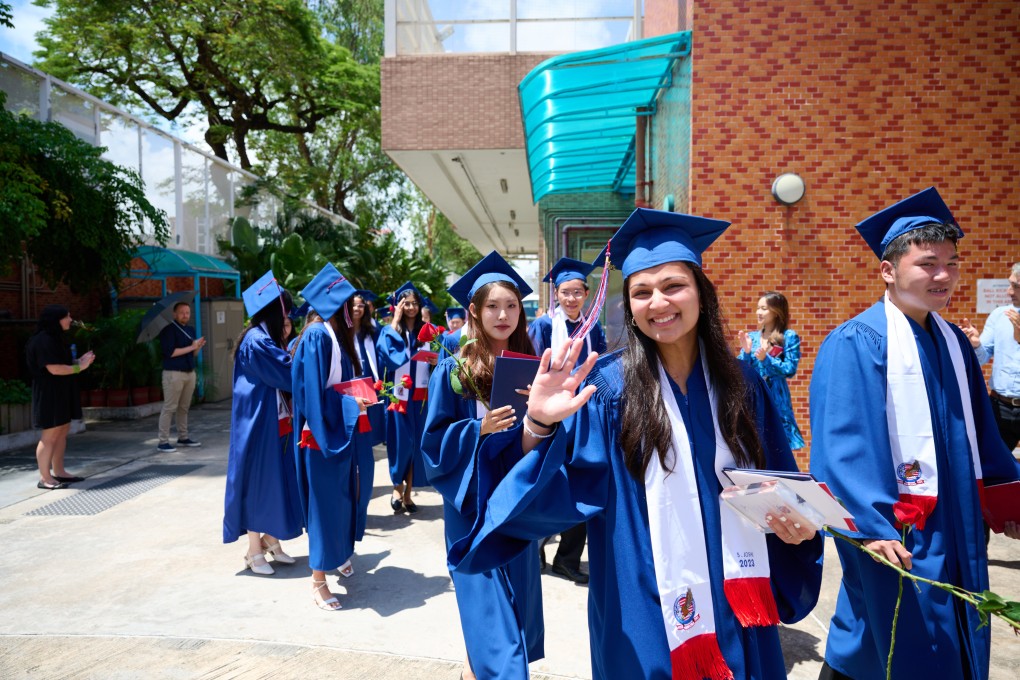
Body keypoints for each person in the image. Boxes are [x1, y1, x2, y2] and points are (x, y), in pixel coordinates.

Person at [450, 208, 823, 680]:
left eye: (673, 286)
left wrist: (799, 525)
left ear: (701, 294)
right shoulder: (608, 390)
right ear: (629, 306)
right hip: (643, 604)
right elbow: (556, 496)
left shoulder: (743, 383)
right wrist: (539, 427)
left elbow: (779, 483)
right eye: (641, 292)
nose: (658, 302)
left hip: (737, 597)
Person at [808, 188, 1020, 680]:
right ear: (888, 270)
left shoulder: (954, 345)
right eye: (928, 263)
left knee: (953, 640)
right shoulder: (857, 343)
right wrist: (871, 528)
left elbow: (982, 438)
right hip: (901, 530)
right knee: (886, 641)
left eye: (952, 262)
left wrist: (1008, 498)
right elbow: (842, 452)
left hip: (959, 526)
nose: (943, 275)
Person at [423, 251, 545, 680]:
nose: (503, 314)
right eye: (493, 306)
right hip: (470, 500)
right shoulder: (454, 369)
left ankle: (475, 671)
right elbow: (433, 441)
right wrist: (477, 430)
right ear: (473, 311)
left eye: (512, 305)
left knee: (517, 592)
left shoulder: (530, 361)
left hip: (515, 496)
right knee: (487, 602)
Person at [290, 263, 370, 610]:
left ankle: (338, 555)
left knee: (342, 500)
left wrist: (360, 395)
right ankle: (317, 581)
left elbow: (336, 385)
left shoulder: (338, 337)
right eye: (349, 304)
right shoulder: (316, 335)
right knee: (324, 507)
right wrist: (351, 403)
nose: (354, 310)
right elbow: (311, 396)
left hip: (341, 427)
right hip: (322, 434)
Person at [527, 256, 609, 584]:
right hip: (551, 414)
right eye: (565, 292)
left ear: (587, 294)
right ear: (556, 295)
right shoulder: (544, 326)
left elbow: (599, 368)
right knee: (546, 481)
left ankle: (567, 559)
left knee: (581, 483)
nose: (571, 298)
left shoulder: (594, 327)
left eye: (577, 292)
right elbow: (532, 368)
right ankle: (534, 546)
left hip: (585, 415)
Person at [222, 271, 303, 576]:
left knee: (271, 481)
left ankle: (269, 539)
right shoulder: (257, 341)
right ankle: (254, 550)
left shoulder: (259, 337)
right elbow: (286, 373)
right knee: (257, 483)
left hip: (268, 419)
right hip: (257, 424)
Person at [378, 282, 438, 514]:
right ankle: (397, 485)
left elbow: (439, 357)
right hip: (399, 396)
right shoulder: (390, 331)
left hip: (421, 397)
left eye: (414, 303)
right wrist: (395, 320)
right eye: (406, 304)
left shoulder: (429, 331)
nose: (411, 307)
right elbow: (388, 357)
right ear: (399, 306)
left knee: (415, 445)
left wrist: (436, 359)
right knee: (400, 443)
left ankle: (408, 493)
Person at [25, 305, 96, 489]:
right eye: (67, 316)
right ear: (56, 320)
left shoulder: (56, 338)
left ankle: (60, 472)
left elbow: (62, 364)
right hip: (49, 393)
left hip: (62, 390)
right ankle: (45, 478)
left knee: (62, 431)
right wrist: (79, 367)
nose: (70, 320)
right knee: (49, 435)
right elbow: (53, 369)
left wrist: (79, 361)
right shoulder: (42, 341)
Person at [961, 262, 1020, 452]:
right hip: (999, 407)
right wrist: (976, 345)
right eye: (1010, 284)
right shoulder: (999, 316)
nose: (1010, 292)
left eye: (1017, 287)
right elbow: (981, 359)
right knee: (994, 471)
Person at [736, 291, 806, 450]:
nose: (758, 312)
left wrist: (766, 360)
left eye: (763, 308)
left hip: (776, 400)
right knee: (754, 447)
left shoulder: (788, 336)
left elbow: (790, 369)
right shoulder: (752, 337)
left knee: (778, 447)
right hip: (753, 397)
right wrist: (746, 353)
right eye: (758, 308)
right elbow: (741, 370)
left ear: (776, 311)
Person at [350, 289, 386, 558]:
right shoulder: (341, 333)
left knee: (366, 451)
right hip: (349, 394)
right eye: (354, 305)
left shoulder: (371, 332)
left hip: (368, 392)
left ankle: (360, 507)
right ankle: (354, 508)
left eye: (361, 305)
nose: (358, 309)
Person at [157, 300, 205, 452]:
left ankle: (183, 437)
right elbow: (171, 352)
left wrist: (197, 347)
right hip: (173, 374)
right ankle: (163, 441)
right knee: (170, 407)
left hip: (189, 372)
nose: (185, 315)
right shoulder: (168, 330)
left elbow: (193, 354)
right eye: (182, 312)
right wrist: (192, 346)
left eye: (188, 312)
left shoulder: (189, 330)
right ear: (175, 314)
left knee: (184, 408)